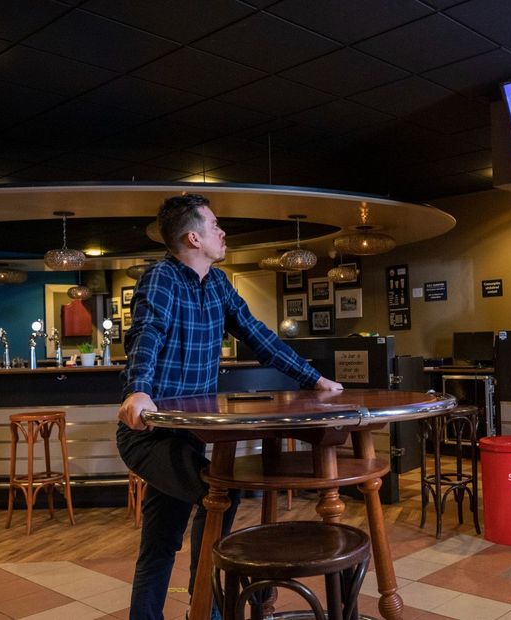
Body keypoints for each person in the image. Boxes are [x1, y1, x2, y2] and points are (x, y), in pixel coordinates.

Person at [116, 193, 343, 620]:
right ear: (193, 237)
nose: (223, 232)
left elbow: (258, 336)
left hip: (188, 436)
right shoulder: (159, 278)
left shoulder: (218, 284)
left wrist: (313, 378)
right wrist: (138, 389)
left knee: (161, 541)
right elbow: (146, 333)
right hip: (149, 434)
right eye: (215, 225)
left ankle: (197, 608)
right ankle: (209, 610)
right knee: (216, 495)